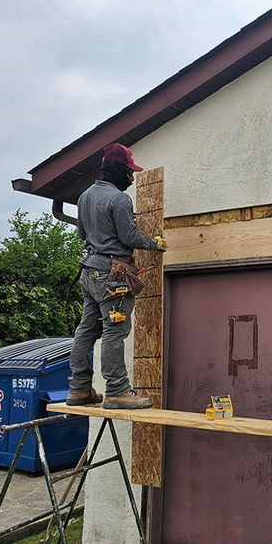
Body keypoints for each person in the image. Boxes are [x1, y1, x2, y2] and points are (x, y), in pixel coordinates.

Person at [66, 143, 166, 409]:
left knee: (86, 329)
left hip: (90, 271)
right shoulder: (119, 199)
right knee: (115, 330)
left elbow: (82, 235)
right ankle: (117, 391)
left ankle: (78, 389)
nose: (131, 178)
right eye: (129, 172)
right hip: (113, 276)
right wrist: (155, 244)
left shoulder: (85, 196)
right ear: (116, 170)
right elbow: (129, 237)